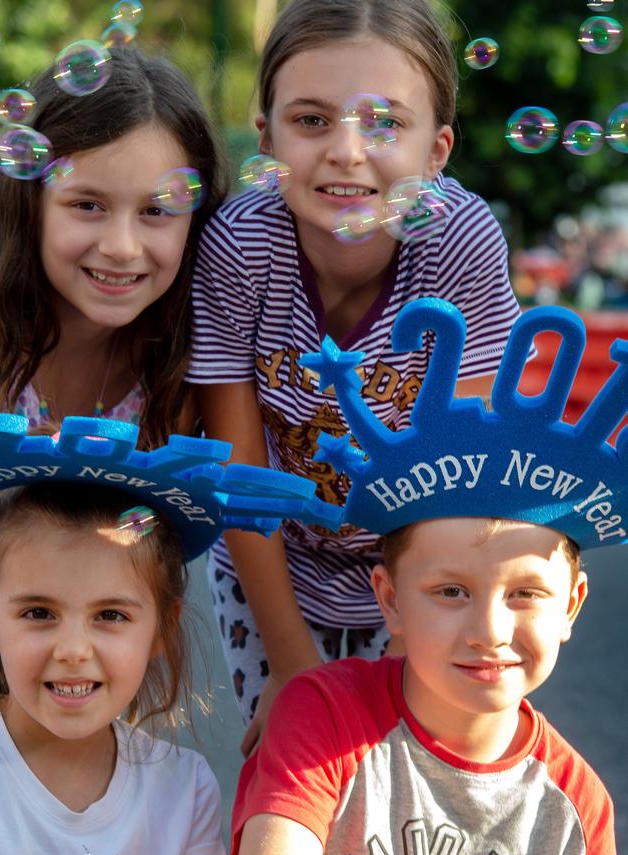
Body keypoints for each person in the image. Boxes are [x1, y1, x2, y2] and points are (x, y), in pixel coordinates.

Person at [188, 0, 525, 751]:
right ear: (268, 135)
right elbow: (237, 467)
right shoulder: (241, 244)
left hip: (420, 559)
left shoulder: (460, 241)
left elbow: (460, 470)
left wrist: (411, 651)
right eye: (311, 121)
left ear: (436, 151)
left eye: (384, 124)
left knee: (400, 769)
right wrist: (295, 662)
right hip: (272, 561)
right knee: (298, 760)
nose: (346, 152)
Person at [231, 516, 616, 855]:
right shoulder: (320, 715)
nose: (490, 634)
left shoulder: (578, 809)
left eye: (526, 593)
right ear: (391, 599)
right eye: (452, 591)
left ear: (570, 605)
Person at [0, 45, 228, 447]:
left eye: (156, 211)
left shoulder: (179, 362)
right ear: (27, 204)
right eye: (88, 205)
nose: (122, 247)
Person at [0, 481, 226, 855]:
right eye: (39, 613)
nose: (73, 651)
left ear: (162, 628)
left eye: (110, 615)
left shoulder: (184, 791)